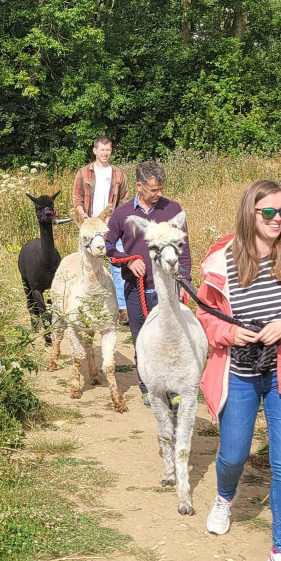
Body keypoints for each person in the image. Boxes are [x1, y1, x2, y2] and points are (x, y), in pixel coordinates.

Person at [196, 179, 281, 561]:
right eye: (268, 212)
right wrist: (228, 335)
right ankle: (225, 499)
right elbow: (203, 312)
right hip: (239, 371)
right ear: (249, 213)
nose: (276, 220)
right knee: (233, 454)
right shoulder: (221, 260)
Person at [105, 160, 192, 405]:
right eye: (154, 190)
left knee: (171, 339)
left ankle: (174, 390)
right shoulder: (122, 214)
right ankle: (149, 387)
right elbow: (108, 246)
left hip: (168, 288)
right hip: (137, 289)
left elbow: (183, 248)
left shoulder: (172, 209)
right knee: (142, 340)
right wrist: (128, 260)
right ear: (139, 186)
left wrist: (185, 280)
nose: (159, 194)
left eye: (161, 188)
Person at [72, 136, 129, 323]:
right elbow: (77, 199)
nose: (105, 153)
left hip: (110, 225)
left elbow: (125, 200)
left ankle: (121, 308)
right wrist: (84, 217)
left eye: (108, 150)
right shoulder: (83, 173)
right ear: (95, 150)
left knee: (117, 265)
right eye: (102, 150)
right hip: (91, 226)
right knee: (88, 265)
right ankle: (85, 302)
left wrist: (116, 218)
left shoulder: (119, 174)